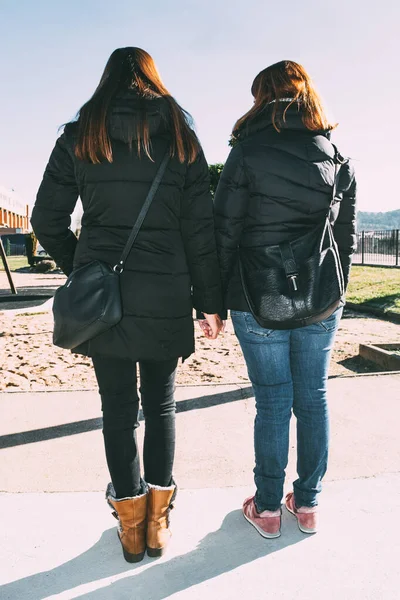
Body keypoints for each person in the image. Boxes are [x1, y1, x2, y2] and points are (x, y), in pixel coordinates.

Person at [31, 47, 224, 562]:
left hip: (104, 304)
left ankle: (131, 528)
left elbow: (45, 220)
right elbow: (199, 230)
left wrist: (82, 270)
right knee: (160, 405)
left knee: (116, 410)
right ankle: (158, 524)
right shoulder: (181, 137)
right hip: (164, 292)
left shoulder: (81, 135)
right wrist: (210, 302)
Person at [214, 60, 357, 538]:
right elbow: (346, 235)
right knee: (313, 398)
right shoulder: (336, 156)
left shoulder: (247, 152)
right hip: (322, 296)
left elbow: (224, 231)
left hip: (256, 297)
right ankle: (309, 503)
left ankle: (269, 509)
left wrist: (210, 298)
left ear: (261, 98)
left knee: (273, 403)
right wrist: (339, 288)